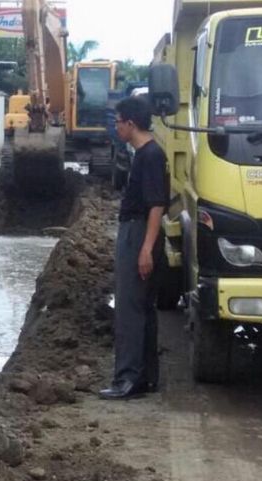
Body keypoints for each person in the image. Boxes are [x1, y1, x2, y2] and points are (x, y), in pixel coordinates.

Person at [99, 96, 169, 400]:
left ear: (131, 123)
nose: (116, 128)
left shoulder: (150, 155)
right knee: (143, 308)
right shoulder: (145, 154)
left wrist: (145, 249)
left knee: (129, 308)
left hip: (139, 233)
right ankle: (146, 376)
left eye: (118, 122)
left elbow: (156, 205)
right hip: (139, 232)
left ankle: (128, 379)